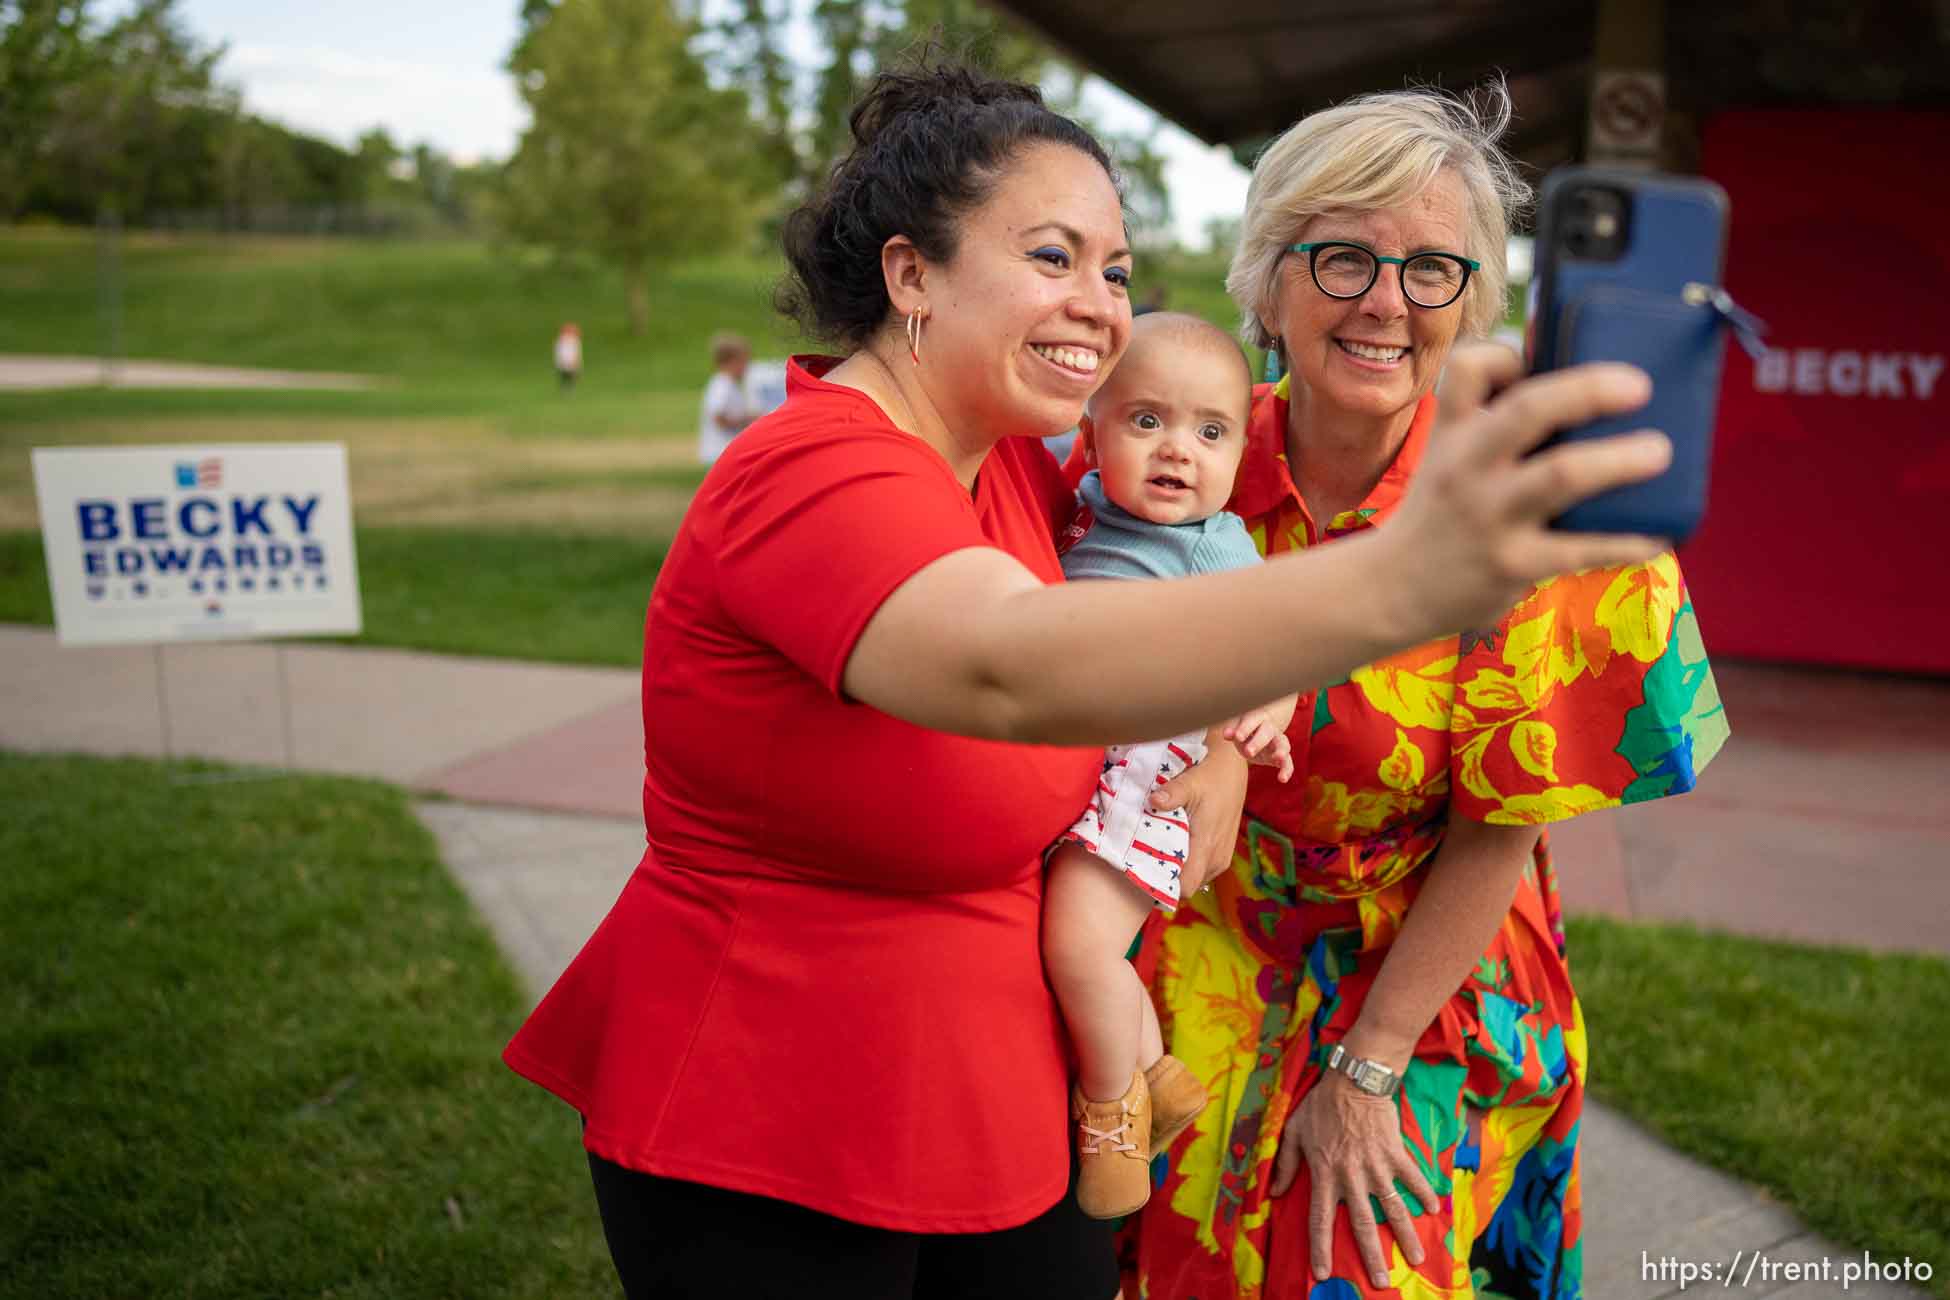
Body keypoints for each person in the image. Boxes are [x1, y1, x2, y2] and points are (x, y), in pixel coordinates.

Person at [501, 62, 1676, 1300]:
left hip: (1014, 1080)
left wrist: (1224, 750)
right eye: (1053, 256)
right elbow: (1011, 665)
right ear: (909, 276)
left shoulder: (1021, 464)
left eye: (1113, 271)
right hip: (788, 1097)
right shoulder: (815, 475)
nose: (1099, 307)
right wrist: (1403, 582)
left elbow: (1153, 619)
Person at [1121, 85, 1732, 1300]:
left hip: (1423, 971)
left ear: (1473, 301)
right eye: (1344, 258)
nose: (1387, 302)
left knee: (1354, 1264)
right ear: (1269, 278)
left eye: (1434, 270)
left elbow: (1502, 825)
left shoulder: (1531, 509)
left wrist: (1367, 1072)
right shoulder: (1177, 449)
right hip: (1191, 942)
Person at [1042, 311, 1298, 1220]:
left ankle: (1114, 1118)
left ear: (1240, 454)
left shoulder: (1215, 546)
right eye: (1145, 421)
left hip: (1147, 783)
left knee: (1077, 945)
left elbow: (1287, 647)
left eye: (1210, 430)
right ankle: (1156, 1073)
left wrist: (1258, 726)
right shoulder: (1088, 511)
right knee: (1089, 946)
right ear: (1092, 432)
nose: (1176, 450)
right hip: (1098, 775)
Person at [697, 331, 757, 463]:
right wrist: (748, 420)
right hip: (718, 452)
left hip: (725, 452)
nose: (747, 367)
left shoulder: (730, 385)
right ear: (730, 361)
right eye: (744, 361)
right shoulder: (722, 385)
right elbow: (718, 417)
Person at [554, 322, 582, 390]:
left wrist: (575, 361)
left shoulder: (575, 341)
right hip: (566, 361)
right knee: (566, 374)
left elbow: (576, 352)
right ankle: (566, 387)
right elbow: (561, 352)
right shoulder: (562, 341)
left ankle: (569, 386)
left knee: (571, 374)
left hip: (570, 361)